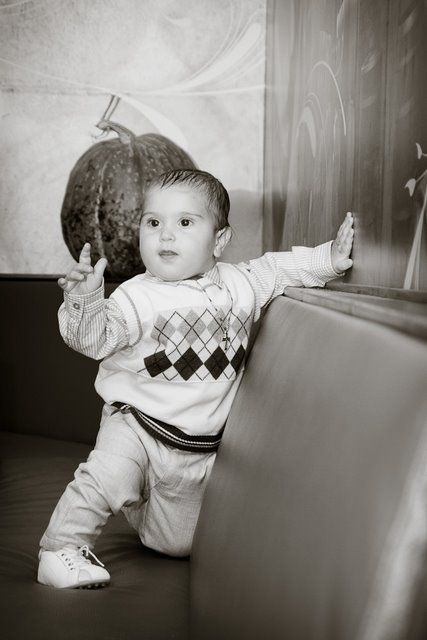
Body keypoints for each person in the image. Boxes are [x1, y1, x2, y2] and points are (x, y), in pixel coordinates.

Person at [37, 169, 354, 589]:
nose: (166, 235)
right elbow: (94, 340)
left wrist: (330, 259)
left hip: (197, 445)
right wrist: (84, 299)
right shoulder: (136, 296)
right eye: (153, 222)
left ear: (219, 240)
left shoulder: (242, 284)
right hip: (136, 423)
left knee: (176, 544)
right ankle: (60, 548)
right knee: (108, 475)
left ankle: (141, 502)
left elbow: (279, 269)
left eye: (185, 222)